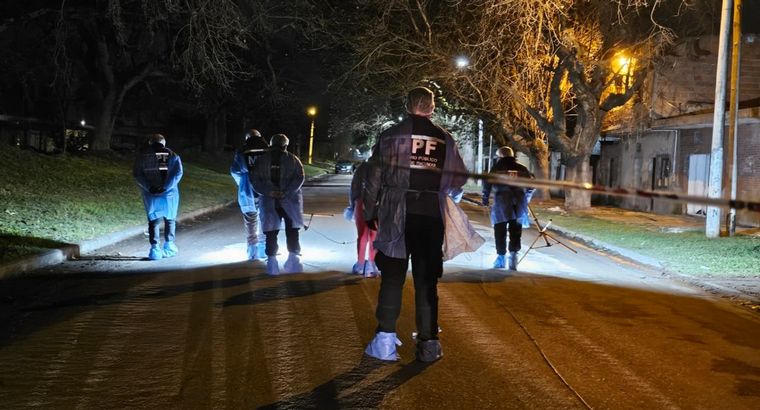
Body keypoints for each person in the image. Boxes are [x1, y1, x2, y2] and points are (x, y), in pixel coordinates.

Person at [362, 86, 467, 362]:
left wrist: (370, 209)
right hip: (430, 216)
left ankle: (384, 341)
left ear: (407, 105)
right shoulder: (445, 138)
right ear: (432, 107)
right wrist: (439, 188)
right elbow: (459, 178)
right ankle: (429, 344)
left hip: (395, 214)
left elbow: (373, 176)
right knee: (426, 282)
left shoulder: (389, 136)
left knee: (392, 279)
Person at [250, 133, 305, 275]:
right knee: (292, 231)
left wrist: (269, 192)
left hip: (269, 202)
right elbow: (300, 178)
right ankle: (293, 261)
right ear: (285, 145)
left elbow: (255, 181)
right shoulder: (294, 160)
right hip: (290, 202)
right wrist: (286, 192)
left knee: (271, 232)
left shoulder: (261, 160)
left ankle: (272, 264)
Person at [481, 146, 535, 270]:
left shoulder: (497, 168)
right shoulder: (522, 168)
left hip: (502, 203)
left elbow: (487, 185)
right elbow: (531, 186)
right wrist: (525, 199)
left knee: (500, 231)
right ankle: (513, 258)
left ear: (500, 156)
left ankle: (501, 258)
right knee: (516, 231)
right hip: (518, 203)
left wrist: (485, 199)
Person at [133, 133, 183, 260]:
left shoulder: (142, 156)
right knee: (170, 219)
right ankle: (169, 245)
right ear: (164, 142)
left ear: (150, 142)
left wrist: (150, 188)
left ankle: (155, 249)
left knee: (154, 221)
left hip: (151, 195)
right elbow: (177, 173)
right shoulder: (172, 155)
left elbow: (138, 175)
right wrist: (165, 187)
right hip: (169, 195)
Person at [230, 128, 269, 261]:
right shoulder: (269, 149)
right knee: (265, 219)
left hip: (248, 189)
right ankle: (264, 249)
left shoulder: (242, 150)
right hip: (266, 189)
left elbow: (235, 170)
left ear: (247, 138)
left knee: (251, 219)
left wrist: (242, 184)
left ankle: (252, 251)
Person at [344, 160, 379, 278]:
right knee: (374, 235)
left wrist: (353, 205)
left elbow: (354, 188)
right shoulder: (384, 167)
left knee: (362, 235)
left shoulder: (362, 168)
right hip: (377, 205)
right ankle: (371, 265)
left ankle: (360, 264)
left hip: (361, 203)